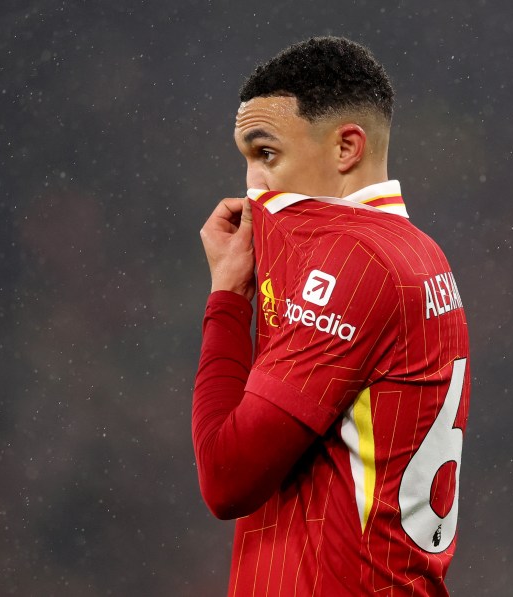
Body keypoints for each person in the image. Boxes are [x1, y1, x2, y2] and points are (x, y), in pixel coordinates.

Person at [193, 37, 471, 596]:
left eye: (266, 154)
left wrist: (227, 298)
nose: (253, 187)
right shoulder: (419, 251)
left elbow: (227, 478)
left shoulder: (353, 261)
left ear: (346, 149)